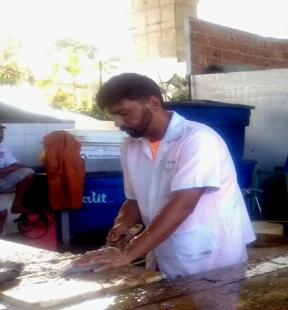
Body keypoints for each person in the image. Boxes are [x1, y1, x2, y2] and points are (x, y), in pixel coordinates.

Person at [74, 73, 254, 279]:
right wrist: (122, 224)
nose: (117, 123)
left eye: (123, 113)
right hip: (162, 252)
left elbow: (182, 205)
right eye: (113, 115)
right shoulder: (130, 147)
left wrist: (128, 253)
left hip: (210, 256)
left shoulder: (198, 139)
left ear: (153, 103)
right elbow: (133, 200)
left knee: (210, 299)